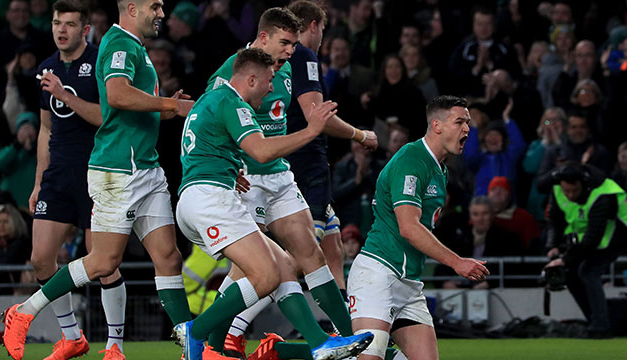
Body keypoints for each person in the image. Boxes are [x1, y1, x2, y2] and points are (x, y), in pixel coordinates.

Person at [2, 1, 195, 359]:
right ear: (133, 8)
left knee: (168, 257)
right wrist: (170, 106)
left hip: (146, 168)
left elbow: (123, 108)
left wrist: (163, 105)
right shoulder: (119, 43)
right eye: (155, 6)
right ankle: (24, 311)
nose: (162, 13)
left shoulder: (134, 47)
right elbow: (117, 97)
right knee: (103, 262)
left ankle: (191, 346)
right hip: (117, 170)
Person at [173, 47, 373, 360]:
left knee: (280, 267)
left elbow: (201, 148)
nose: (271, 88)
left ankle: (319, 343)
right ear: (250, 79)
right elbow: (263, 152)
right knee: (264, 276)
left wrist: (227, 169)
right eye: (268, 80)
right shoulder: (231, 101)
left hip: (199, 196)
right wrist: (311, 130)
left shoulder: (209, 99)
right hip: (212, 200)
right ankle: (196, 332)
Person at [347, 95, 489, 360]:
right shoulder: (412, 159)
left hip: (408, 283)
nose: (467, 129)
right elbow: (409, 228)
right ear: (437, 125)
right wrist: (457, 262)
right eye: (459, 121)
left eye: (468, 123)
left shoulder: (440, 170)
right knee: (370, 357)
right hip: (378, 274)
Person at [29, 1, 126, 359]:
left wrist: (63, 94)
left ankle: (115, 344)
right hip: (58, 175)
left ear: (85, 29)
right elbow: (45, 128)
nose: (61, 30)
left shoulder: (101, 62)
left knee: (101, 261)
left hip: (98, 172)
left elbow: (108, 117)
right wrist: (39, 182)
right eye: (57, 23)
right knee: (41, 258)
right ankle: (72, 336)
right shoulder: (47, 69)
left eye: (70, 24)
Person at [285, 0, 378, 302]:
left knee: (332, 249)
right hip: (306, 162)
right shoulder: (303, 55)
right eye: (323, 29)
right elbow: (316, 116)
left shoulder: (272, 57)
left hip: (287, 159)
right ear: (313, 25)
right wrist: (360, 134)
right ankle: (226, 322)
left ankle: (345, 329)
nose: (322, 36)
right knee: (303, 253)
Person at [544, 162, 627, 338]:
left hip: (618, 234)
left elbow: (593, 237)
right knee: (572, 275)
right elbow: (554, 220)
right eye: (567, 191)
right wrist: (552, 246)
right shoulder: (557, 190)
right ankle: (594, 321)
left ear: (583, 184)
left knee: (588, 272)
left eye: (574, 191)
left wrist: (564, 259)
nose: (570, 195)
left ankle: (601, 327)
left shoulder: (602, 194)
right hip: (595, 236)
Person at [0, 111, 38, 208]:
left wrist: (32, 149)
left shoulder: (42, 153)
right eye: (23, 128)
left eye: (30, 128)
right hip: (11, 205)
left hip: (33, 205)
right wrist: (18, 145)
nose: (27, 132)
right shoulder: (11, 150)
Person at [0, 203, 31, 295]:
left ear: (14, 223)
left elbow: (4, 264)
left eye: (6, 222)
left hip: (12, 293)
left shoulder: (22, 244)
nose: (1, 225)